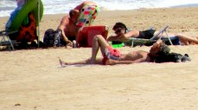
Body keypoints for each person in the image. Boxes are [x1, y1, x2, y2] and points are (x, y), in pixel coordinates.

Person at [59, 37, 189, 66]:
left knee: (97, 37)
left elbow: (133, 63)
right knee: (88, 61)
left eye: (154, 47)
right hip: (116, 56)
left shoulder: (146, 58)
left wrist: (115, 63)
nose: (152, 47)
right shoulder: (148, 54)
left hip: (115, 58)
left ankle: (92, 59)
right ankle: (68, 64)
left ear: (156, 52)